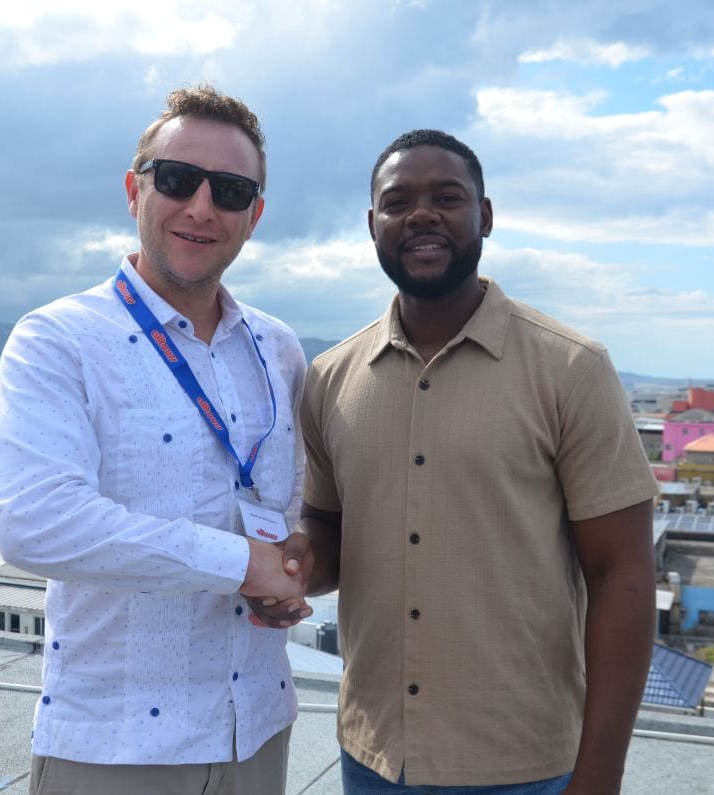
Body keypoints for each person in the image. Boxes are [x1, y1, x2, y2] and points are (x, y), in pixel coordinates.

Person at [255, 129, 659, 793]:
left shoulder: (571, 368)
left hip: (526, 766)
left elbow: (624, 575)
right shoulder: (330, 378)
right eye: (398, 202)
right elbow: (328, 528)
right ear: (373, 225)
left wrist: (600, 774)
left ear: (486, 216)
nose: (421, 214)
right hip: (374, 758)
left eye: (447, 197)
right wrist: (294, 568)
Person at [0, 85, 312, 795]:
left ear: (254, 216)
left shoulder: (279, 348)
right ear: (135, 189)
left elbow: (290, 502)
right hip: (117, 745)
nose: (201, 207)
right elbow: (35, 522)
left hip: (258, 727)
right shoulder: (58, 339)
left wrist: (287, 568)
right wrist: (242, 564)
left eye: (230, 191)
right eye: (177, 179)